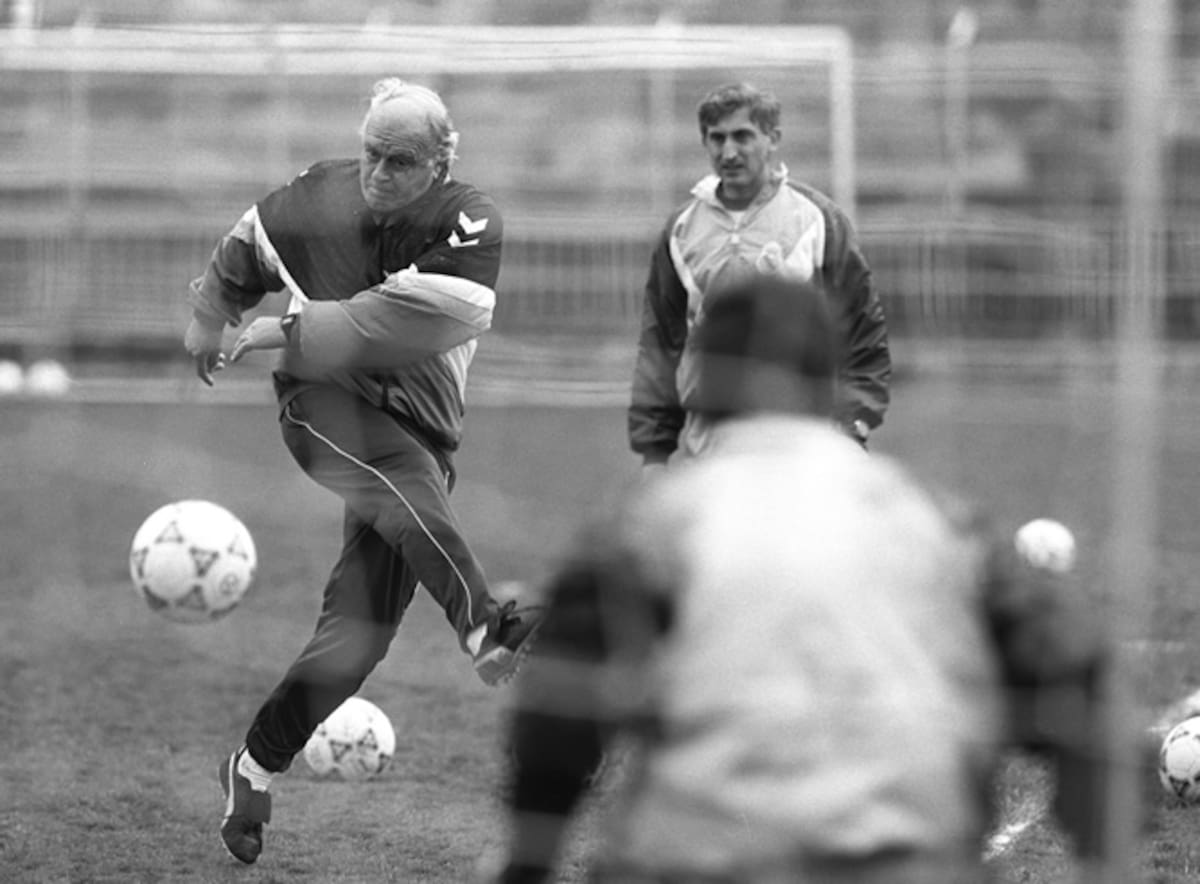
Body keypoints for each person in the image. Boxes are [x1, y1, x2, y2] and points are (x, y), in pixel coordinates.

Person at [483, 273, 1114, 883]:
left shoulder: (652, 523)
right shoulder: (933, 518)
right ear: (827, 382)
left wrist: (527, 863)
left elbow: (557, 715)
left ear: (702, 385)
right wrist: (1100, 838)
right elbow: (1066, 660)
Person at [183, 77, 543, 866]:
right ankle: (486, 625)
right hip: (321, 406)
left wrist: (286, 325)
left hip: (419, 433)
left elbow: (403, 321)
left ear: (441, 162)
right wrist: (211, 312)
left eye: (401, 160)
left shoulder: (468, 221)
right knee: (399, 483)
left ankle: (252, 768)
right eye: (372, 152)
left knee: (359, 636)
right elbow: (249, 241)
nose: (379, 172)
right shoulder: (320, 196)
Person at [629, 81, 891, 471]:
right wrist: (654, 451)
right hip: (712, 454)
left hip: (808, 453)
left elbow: (863, 331)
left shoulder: (818, 220)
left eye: (742, 136)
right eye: (717, 138)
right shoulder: (680, 231)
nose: (729, 152)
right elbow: (660, 347)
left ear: (773, 139)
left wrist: (855, 424)